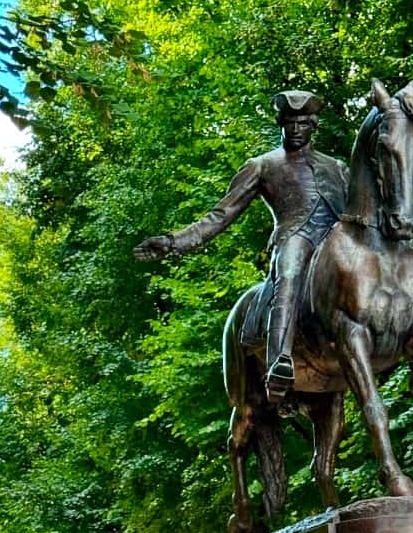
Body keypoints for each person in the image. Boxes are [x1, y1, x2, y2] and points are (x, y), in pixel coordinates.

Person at [134, 91, 350, 404]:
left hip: (335, 244)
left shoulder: (336, 167)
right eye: (289, 122)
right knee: (288, 273)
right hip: (295, 238)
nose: (296, 128)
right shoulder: (263, 166)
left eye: (303, 122)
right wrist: (173, 242)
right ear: (281, 124)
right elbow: (221, 214)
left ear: (313, 125)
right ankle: (280, 362)